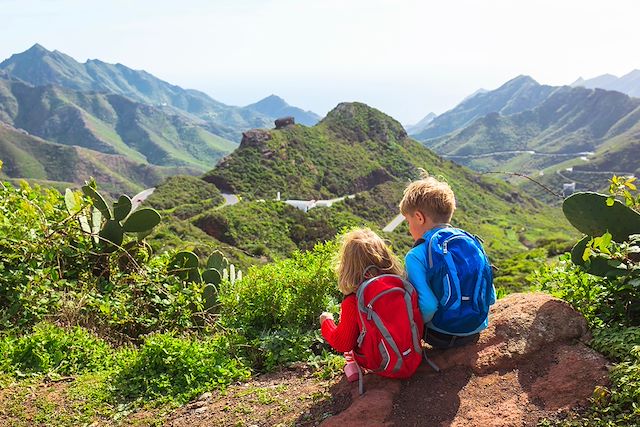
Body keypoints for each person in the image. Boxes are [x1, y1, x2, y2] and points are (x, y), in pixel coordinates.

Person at [400, 174, 496, 349]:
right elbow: (491, 297)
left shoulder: (416, 255)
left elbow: (428, 307)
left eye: (408, 221)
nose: (409, 228)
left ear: (419, 217)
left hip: (442, 336)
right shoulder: (470, 242)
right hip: (476, 328)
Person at [320, 228, 423, 385]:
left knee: (350, 331)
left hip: (380, 364)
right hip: (412, 355)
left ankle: (352, 366)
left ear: (348, 266)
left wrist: (326, 322)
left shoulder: (354, 300)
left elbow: (343, 342)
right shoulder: (401, 287)